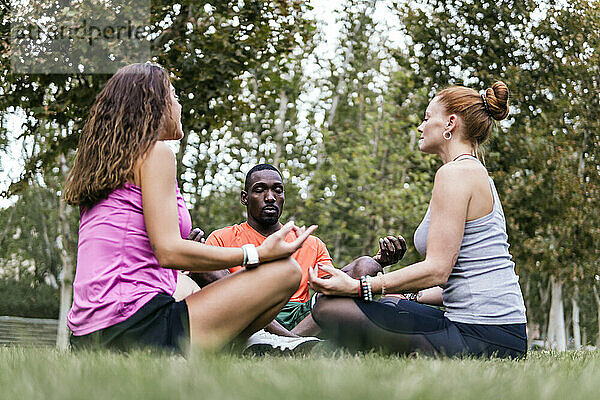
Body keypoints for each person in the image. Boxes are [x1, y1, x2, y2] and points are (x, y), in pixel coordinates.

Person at [63, 63, 317, 355]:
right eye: (174, 95)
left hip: (88, 334)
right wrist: (257, 253)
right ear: (154, 105)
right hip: (134, 327)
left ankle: (253, 342)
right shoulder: (156, 153)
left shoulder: (108, 168)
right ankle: (235, 346)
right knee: (285, 271)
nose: (178, 104)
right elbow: (168, 251)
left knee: (186, 285)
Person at [308, 82, 528, 359]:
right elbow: (463, 280)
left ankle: (316, 349)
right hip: (500, 332)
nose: (420, 128)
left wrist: (359, 287)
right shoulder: (470, 172)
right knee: (390, 301)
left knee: (329, 308)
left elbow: (438, 270)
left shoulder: (456, 174)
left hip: (483, 337)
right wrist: (409, 297)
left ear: (450, 123)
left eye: (426, 118)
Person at [190, 163, 407, 337]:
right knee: (199, 265)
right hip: (247, 313)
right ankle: (285, 341)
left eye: (277, 190)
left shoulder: (310, 242)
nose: (270, 197)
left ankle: (289, 340)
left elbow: (335, 286)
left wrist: (380, 261)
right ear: (244, 198)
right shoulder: (222, 237)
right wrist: (192, 254)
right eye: (260, 190)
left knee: (367, 265)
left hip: (301, 316)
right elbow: (216, 290)